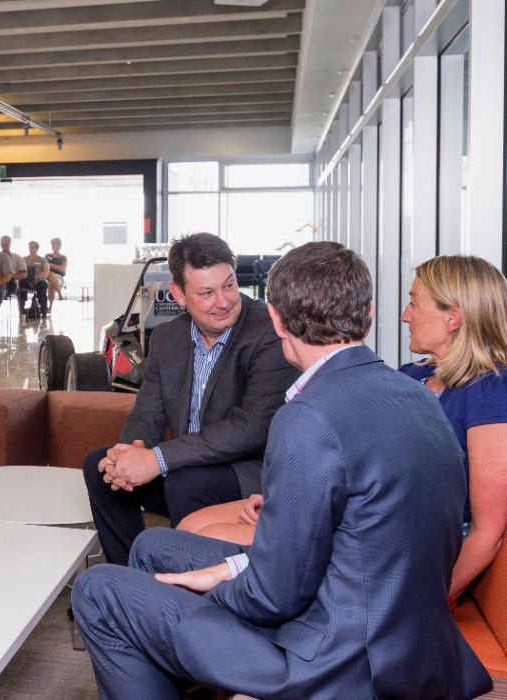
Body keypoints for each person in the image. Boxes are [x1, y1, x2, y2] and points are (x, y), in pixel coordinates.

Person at [72, 241, 492, 700]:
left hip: (331, 659)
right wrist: (228, 566)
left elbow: (274, 596)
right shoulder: (417, 395)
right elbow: (340, 540)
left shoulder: (307, 418)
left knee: (97, 589)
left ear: (275, 320)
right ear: (368, 315)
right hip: (405, 637)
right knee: (153, 546)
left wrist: (216, 586)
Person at [180, 256, 507, 603]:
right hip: (349, 510)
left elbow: (487, 530)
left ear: (453, 317)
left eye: (413, 302)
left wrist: (430, 605)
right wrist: (289, 502)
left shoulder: (489, 393)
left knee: (199, 538)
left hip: (396, 541)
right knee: (191, 526)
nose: (404, 315)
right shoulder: (411, 376)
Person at [82, 232, 297, 565]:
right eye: (207, 293)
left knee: (185, 482)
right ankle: (130, 579)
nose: (224, 301)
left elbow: (250, 427)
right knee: (101, 468)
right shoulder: (168, 338)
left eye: (229, 285)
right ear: (178, 294)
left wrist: (157, 461)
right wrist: (131, 454)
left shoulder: (267, 331)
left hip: (246, 473)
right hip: (185, 464)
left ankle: (184, 589)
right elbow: (148, 412)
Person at [20, 240, 50, 318]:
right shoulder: (24, 259)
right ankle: (22, 311)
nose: (31, 249)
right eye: (30, 247)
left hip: (39, 280)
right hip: (26, 280)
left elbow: (46, 271)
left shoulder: (42, 259)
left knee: (42, 287)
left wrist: (38, 277)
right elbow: (20, 270)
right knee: (20, 287)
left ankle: (43, 312)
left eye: (33, 247)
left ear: (37, 249)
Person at [0, 235, 27, 310]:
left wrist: (10, 276)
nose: (4, 246)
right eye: (2, 244)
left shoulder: (17, 257)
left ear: (10, 244)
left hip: (12, 282)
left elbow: (24, 274)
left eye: (6, 244)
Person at [45, 237, 68, 308]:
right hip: (46, 276)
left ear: (59, 246)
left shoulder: (63, 257)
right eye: (51, 244)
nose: (52, 246)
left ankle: (50, 306)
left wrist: (53, 266)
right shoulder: (47, 256)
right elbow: (44, 266)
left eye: (53, 244)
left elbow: (63, 269)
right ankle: (60, 293)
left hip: (59, 277)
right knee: (50, 275)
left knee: (51, 280)